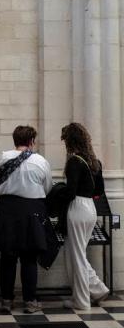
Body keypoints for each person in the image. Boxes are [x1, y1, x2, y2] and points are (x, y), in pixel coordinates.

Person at [0, 125, 53, 314]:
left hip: (7, 211)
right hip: (32, 212)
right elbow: (47, 187)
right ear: (32, 141)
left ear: (15, 140)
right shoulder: (40, 160)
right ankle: (30, 301)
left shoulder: (3, 157)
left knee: (7, 257)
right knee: (29, 258)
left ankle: (7, 300)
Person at [60, 122, 109, 310]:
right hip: (90, 208)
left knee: (77, 255)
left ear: (70, 141)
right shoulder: (94, 162)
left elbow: (70, 191)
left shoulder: (74, 161)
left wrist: (56, 195)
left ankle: (81, 301)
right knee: (78, 253)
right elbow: (100, 190)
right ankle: (97, 288)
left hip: (78, 207)